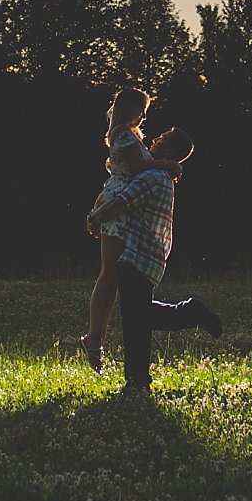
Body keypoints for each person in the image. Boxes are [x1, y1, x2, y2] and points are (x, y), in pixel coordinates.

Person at [84, 127, 222, 391]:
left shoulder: (154, 176)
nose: (156, 139)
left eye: (162, 139)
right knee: (138, 319)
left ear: (169, 151)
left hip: (137, 255)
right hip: (148, 257)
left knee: (138, 318)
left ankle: (189, 312)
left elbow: (124, 200)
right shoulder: (163, 174)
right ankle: (138, 381)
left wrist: (94, 218)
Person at [77, 88, 180, 371]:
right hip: (119, 204)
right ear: (129, 108)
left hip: (127, 207)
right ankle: (94, 337)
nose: (145, 116)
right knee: (109, 274)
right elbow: (140, 166)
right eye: (142, 109)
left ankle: (99, 338)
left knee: (117, 276)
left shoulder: (132, 135)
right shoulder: (122, 133)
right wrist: (170, 165)